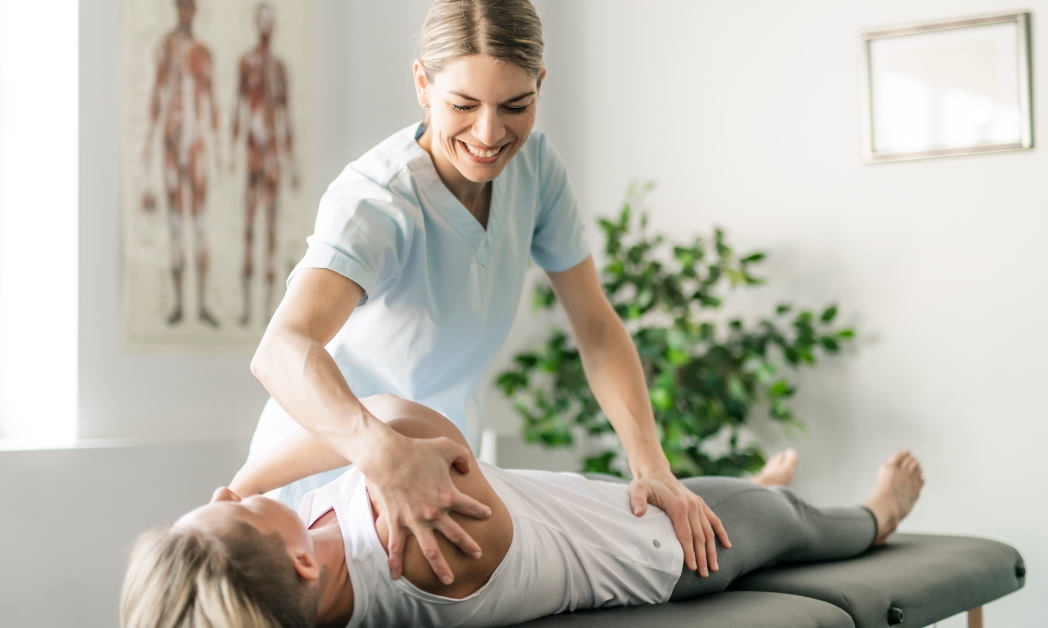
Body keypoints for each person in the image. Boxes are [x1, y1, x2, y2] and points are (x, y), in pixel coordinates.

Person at [248, 0, 727, 588]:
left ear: (540, 87)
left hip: (438, 470)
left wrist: (653, 467)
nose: (489, 133)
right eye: (463, 105)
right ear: (423, 83)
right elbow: (280, 350)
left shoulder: (537, 174)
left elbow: (597, 330)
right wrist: (381, 455)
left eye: (515, 105)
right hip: (328, 478)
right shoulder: (376, 203)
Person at [121, 395, 926, 628]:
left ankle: (748, 478)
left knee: (746, 491)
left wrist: (239, 501)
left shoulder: (310, 581)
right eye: (234, 509)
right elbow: (401, 418)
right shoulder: (429, 544)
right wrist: (249, 472)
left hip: (583, 502)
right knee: (791, 522)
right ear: (298, 561)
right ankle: (876, 512)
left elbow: (364, 437)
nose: (232, 495)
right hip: (660, 549)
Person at [142, 0, 220, 327]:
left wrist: (219, 152)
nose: (186, 12)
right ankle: (178, 302)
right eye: (182, 6)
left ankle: (200, 304)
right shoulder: (165, 46)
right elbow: (157, 94)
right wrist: (149, 145)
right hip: (173, 145)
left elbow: (210, 101)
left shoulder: (203, 52)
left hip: (196, 145)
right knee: (176, 226)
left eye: (191, 7)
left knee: (199, 227)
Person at [229, 1, 298, 326]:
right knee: (248, 227)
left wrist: (291, 161)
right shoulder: (247, 63)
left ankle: (270, 309)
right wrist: (230, 154)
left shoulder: (279, 68)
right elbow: (238, 109)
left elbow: (286, 117)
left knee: (270, 228)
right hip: (254, 153)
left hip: (271, 155)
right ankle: (245, 308)